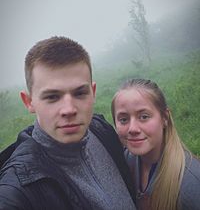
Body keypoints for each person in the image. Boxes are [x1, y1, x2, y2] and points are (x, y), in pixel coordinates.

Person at [0, 36, 137, 210]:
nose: (69, 109)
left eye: (80, 93)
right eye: (52, 97)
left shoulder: (101, 129)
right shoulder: (19, 190)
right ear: (29, 101)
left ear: (93, 92)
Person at [111, 78, 200, 210]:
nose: (132, 129)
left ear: (165, 117)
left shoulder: (191, 182)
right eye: (123, 119)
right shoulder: (125, 160)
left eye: (144, 116)